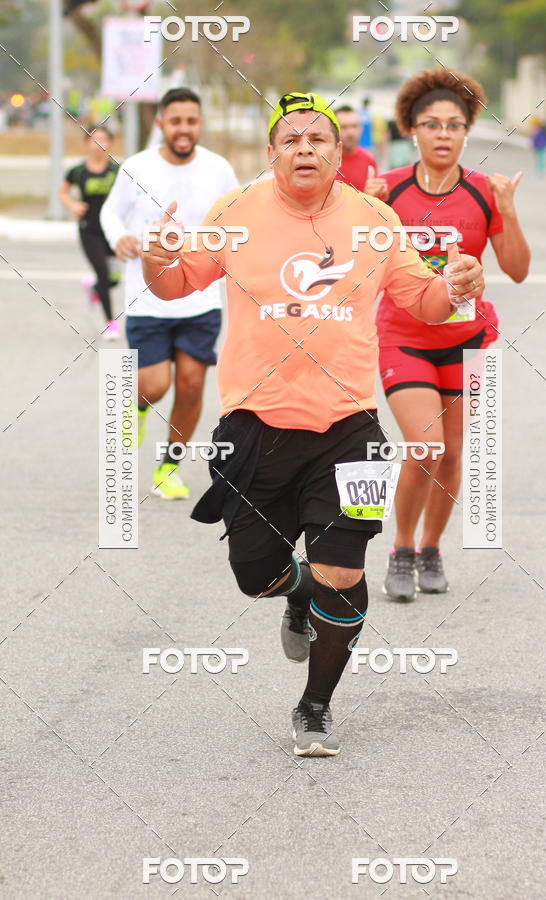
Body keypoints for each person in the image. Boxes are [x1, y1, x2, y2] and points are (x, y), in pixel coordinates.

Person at [140, 91, 483, 756]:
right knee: (254, 575)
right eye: (290, 139)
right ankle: (294, 591)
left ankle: (316, 706)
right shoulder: (235, 213)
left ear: (338, 153)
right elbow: (177, 286)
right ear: (271, 153)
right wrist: (157, 258)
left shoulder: (375, 219)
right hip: (253, 429)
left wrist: (459, 287)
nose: (304, 148)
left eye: (317, 139)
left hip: (348, 428)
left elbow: (426, 302)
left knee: (344, 574)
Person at [364, 67, 530, 601]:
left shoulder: (484, 192)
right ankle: (401, 547)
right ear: (411, 129)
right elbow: (359, 268)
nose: (442, 134)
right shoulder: (386, 188)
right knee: (425, 447)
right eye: (430, 124)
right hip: (404, 338)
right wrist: (367, 214)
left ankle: (432, 548)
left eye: (454, 125)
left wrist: (507, 210)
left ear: (466, 132)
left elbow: (519, 269)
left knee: (453, 454)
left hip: (468, 342)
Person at [100, 87, 238, 500]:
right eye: (175, 120)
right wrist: (119, 236)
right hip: (148, 297)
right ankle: (139, 406)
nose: (184, 129)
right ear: (161, 122)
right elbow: (110, 212)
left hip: (201, 297)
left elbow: (238, 218)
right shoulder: (137, 166)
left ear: (200, 123)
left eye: (191, 121)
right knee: (154, 384)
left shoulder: (218, 169)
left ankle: (169, 467)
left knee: (192, 385)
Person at [59, 124, 120, 338]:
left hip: (112, 230)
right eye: (94, 139)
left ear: (110, 143)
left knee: (114, 279)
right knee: (103, 274)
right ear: (87, 144)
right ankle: (110, 323)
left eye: (103, 139)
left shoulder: (116, 171)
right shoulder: (78, 171)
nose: (99, 144)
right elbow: (63, 192)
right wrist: (73, 206)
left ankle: (93, 288)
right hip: (89, 229)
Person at [334, 104, 377, 191]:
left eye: (354, 126)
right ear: (333, 130)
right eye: (344, 127)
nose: (351, 133)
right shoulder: (324, 160)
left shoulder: (369, 160)